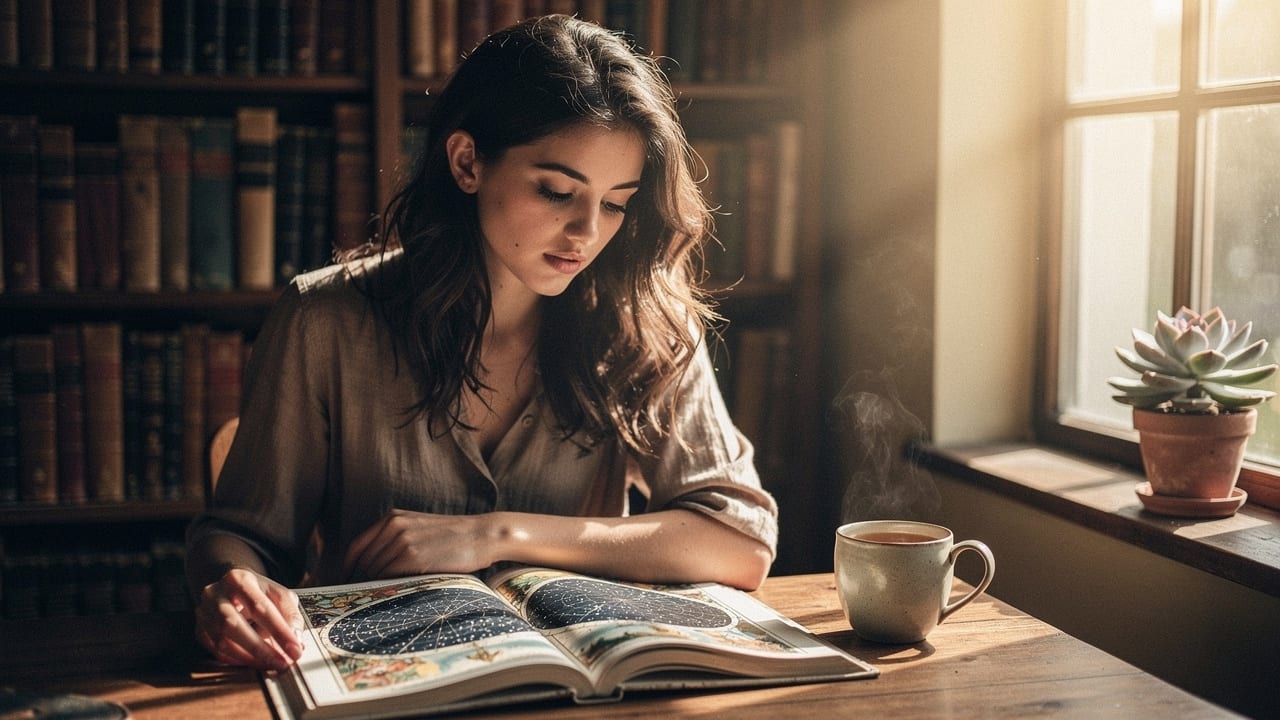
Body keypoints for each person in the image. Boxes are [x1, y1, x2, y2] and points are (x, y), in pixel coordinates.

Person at [185, 14, 778, 673]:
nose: (586, 231)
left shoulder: (647, 320)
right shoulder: (325, 320)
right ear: (468, 162)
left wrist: (496, 534)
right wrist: (229, 587)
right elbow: (239, 537)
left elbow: (739, 542)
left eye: (616, 203)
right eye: (557, 190)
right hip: (379, 687)